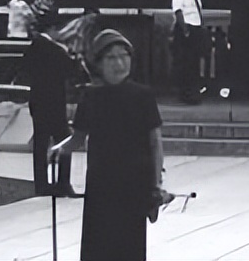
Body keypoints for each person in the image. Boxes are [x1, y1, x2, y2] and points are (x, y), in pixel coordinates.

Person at [50, 29, 164, 261]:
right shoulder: (91, 97)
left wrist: (156, 184)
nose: (119, 63)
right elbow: (78, 138)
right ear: (99, 63)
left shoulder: (143, 96)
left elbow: (155, 142)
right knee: (98, 244)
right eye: (111, 57)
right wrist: (59, 150)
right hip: (101, 183)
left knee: (129, 246)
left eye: (124, 55)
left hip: (134, 182)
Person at [19, 13, 93, 197]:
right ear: (52, 29)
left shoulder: (34, 46)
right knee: (64, 139)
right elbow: (69, 71)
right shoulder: (54, 49)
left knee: (41, 143)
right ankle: (62, 183)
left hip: (38, 100)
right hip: (53, 101)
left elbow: (24, 69)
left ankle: (42, 184)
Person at [171, 0, 208, 104]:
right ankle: (185, 93)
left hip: (195, 28)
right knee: (185, 62)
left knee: (194, 62)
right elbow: (178, 10)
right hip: (186, 27)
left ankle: (193, 92)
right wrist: (185, 29)